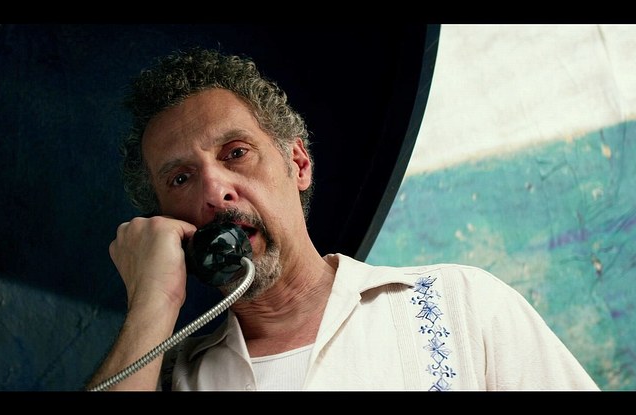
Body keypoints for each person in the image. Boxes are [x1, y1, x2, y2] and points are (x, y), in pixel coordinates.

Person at [87, 47, 600, 391]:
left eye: (236, 153)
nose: (214, 191)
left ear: (298, 164)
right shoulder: (168, 377)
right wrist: (152, 303)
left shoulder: (460, 304)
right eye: (180, 179)